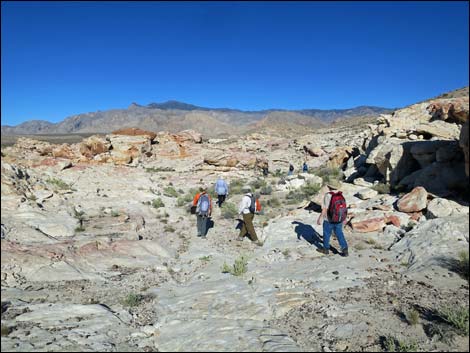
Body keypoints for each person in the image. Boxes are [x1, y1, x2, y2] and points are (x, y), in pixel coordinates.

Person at [316, 184, 349, 256]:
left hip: (329, 219)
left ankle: (325, 249)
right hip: (339, 219)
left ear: (329, 187)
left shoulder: (328, 195)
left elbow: (325, 209)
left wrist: (320, 218)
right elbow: (344, 208)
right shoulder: (341, 194)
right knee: (339, 233)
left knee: (326, 234)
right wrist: (344, 218)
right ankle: (345, 248)